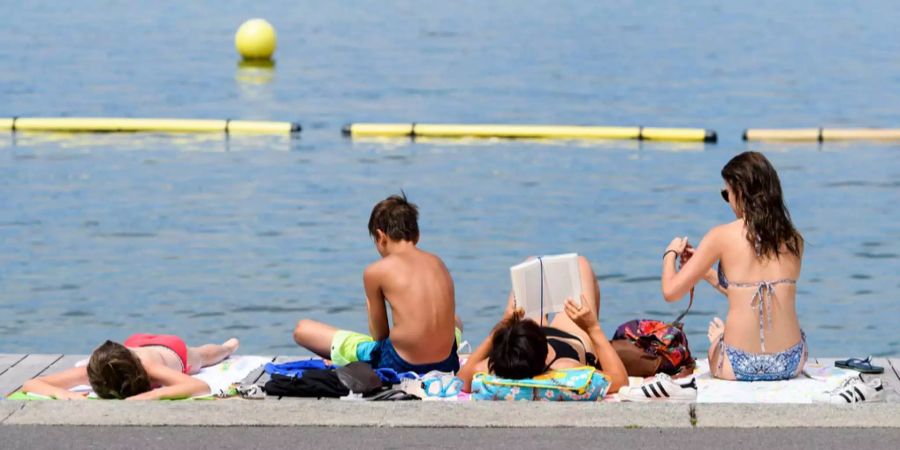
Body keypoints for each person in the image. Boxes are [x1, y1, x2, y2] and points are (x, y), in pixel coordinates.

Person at [661, 151, 806, 381]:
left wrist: (670, 253)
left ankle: (722, 337)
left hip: (736, 366)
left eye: (726, 193)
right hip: (790, 363)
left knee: (718, 340)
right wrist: (708, 275)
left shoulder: (721, 236)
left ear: (740, 192)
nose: (727, 200)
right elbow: (752, 291)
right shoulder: (794, 239)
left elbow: (670, 292)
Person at [293, 193, 460, 375]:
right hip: (447, 362)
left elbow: (379, 336)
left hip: (401, 363)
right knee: (455, 320)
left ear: (380, 237)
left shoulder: (376, 271)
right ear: (417, 235)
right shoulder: (438, 262)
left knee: (303, 329)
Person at [459, 256, 628, 394]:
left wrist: (502, 327)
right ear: (545, 351)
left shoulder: (496, 367)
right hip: (570, 339)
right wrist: (592, 327)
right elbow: (620, 381)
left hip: (521, 345)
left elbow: (460, 382)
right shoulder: (566, 369)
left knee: (531, 266)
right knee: (580, 264)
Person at [21, 334, 239, 400]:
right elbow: (31, 383)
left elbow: (199, 386)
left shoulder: (149, 368)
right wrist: (65, 395)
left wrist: (150, 396)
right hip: (133, 343)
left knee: (204, 355)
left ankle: (227, 347)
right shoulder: (94, 371)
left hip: (170, 349)